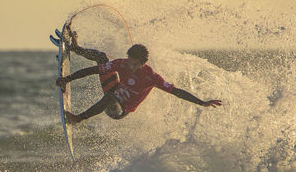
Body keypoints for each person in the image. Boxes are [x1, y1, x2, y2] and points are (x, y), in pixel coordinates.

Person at [56, 27, 222, 125]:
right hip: (113, 91)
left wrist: (202, 102)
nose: (130, 66)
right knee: (102, 59)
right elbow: (94, 70)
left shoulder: (151, 77)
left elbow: (176, 91)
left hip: (119, 110)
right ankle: (76, 49)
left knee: (110, 98)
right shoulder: (122, 63)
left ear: (143, 63)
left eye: (135, 63)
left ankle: (78, 119)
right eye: (130, 61)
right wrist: (67, 79)